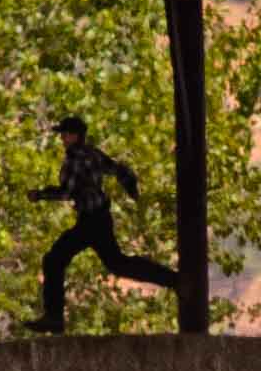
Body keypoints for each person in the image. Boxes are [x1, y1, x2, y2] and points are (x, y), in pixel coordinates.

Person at [23, 116, 178, 334]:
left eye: (65, 134)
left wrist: (39, 195)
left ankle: (54, 317)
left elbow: (66, 192)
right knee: (117, 263)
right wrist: (132, 190)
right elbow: (120, 170)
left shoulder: (75, 159)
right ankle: (172, 279)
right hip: (100, 219)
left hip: (90, 222)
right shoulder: (92, 153)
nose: (62, 139)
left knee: (54, 260)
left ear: (74, 136)